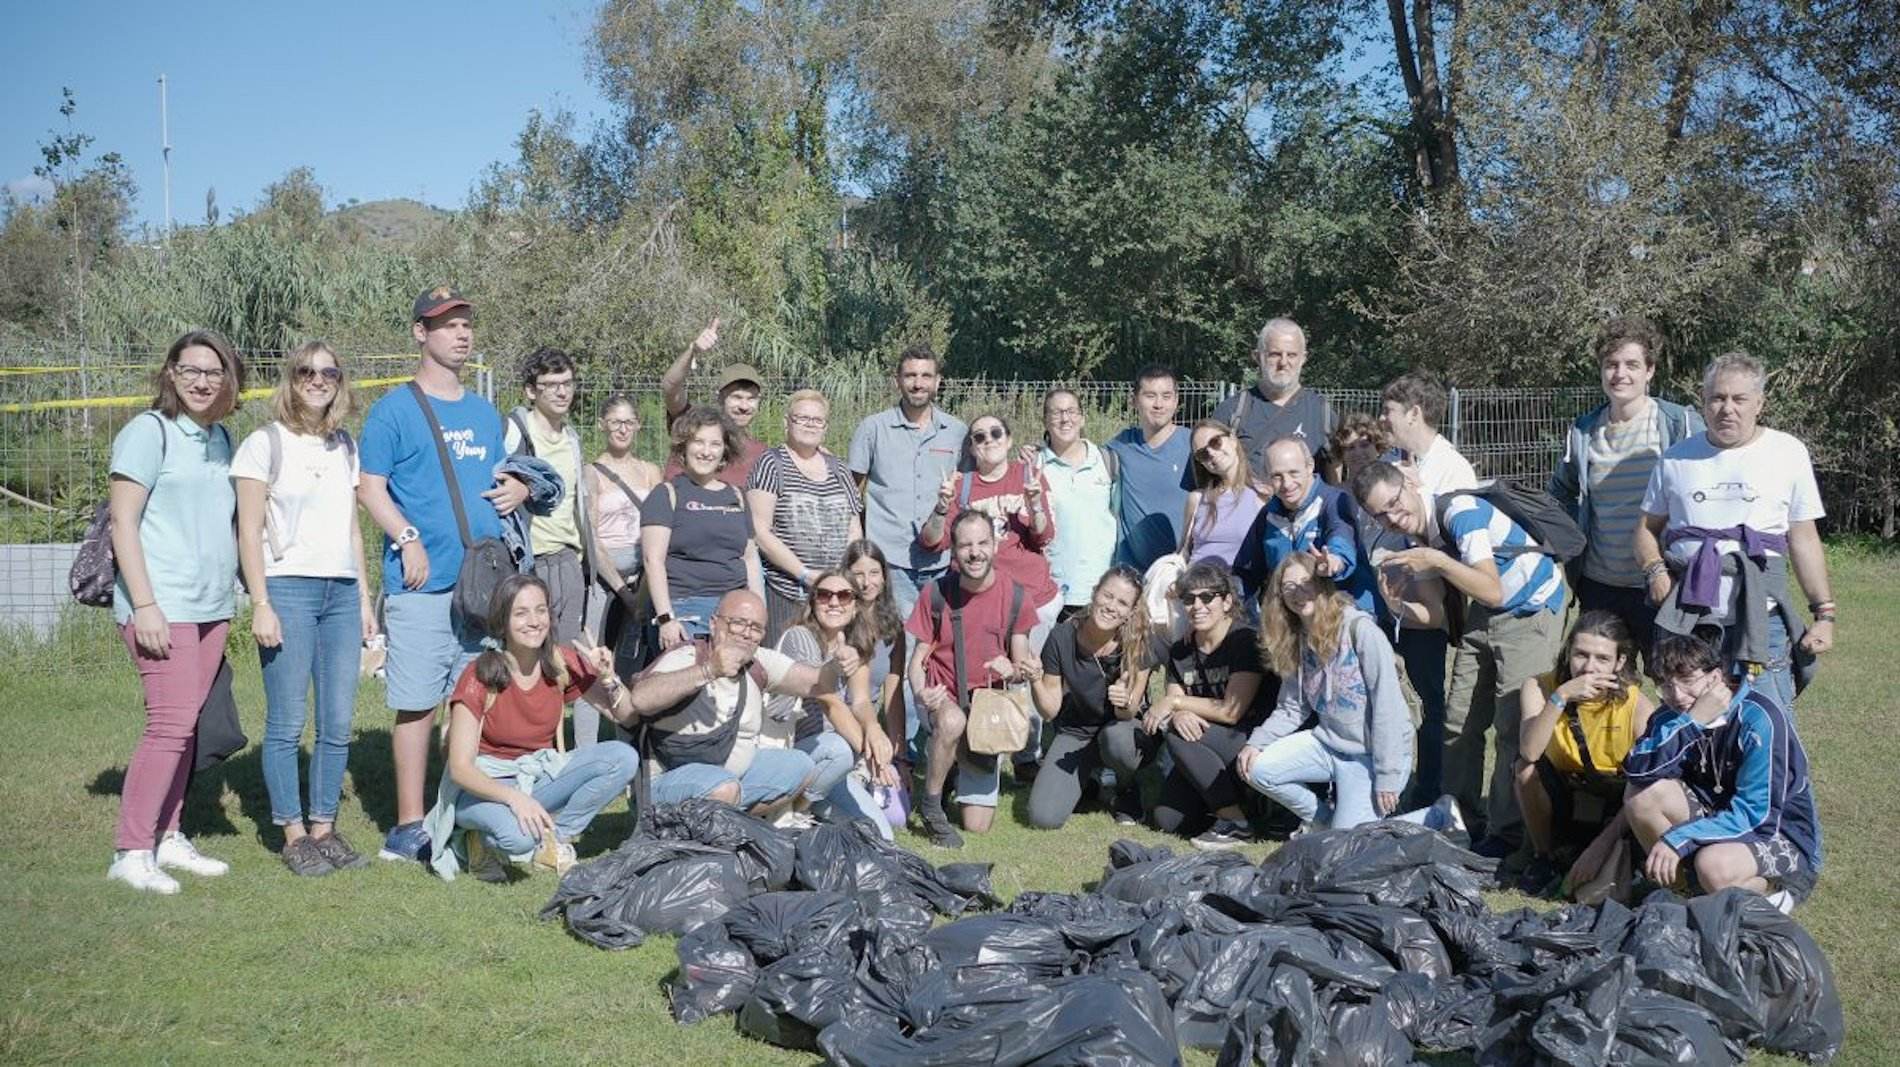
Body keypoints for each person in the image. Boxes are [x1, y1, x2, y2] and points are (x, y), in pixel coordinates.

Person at [358, 287, 530, 863]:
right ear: (419, 333)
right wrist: (406, 538)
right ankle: (408, 826)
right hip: (423, 585)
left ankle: (457, 813)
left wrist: (519, 486)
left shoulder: (484, 412)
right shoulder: (393, 410)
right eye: (446, 325)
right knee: (417, 703)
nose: (461, 334)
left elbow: (506, 472)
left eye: (465, 324)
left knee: (474, 702)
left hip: (481, 586)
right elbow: (370, 487)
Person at [1353, 459, 1568, 858]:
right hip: (1489, 614)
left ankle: (1508, 835)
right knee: (1458, 721)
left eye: (1396, 503)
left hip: (1531, 607)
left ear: (1410, 486)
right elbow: (1436, 616)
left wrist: (1437, 562)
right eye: (1380, 514)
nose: (1394, 517)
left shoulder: (1459, 513)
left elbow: (1491, 590)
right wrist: (1393, 603)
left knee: (1511, 725)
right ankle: (1460, 821)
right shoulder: (1418, 538)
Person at [104, 330, 246, 894]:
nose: (202, 381)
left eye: (214, 372)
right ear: (170, 373)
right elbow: (123, 524)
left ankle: (168, 834)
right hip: (162, 605)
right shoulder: (148, 432)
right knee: (167, 726)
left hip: (212, 606)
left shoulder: (221, 438)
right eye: (191, 370)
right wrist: (145, 605)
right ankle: (131, 848)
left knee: (187, 727)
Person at [233, 341, 378, 876]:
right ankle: (293, 834)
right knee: (288, 722)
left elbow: (351, 530)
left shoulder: (346, 447)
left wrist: (364, 599)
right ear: (290, 380)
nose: (318, 380)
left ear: (340, 382)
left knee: (337, 721)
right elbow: (248, 533)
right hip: (286, 589)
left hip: (340, 592)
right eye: (306, 372)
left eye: (329, 373)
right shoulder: (262, 444)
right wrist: (261, 603)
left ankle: (324, 827)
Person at [1634, 352, 1835, 711]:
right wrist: (1655, 572)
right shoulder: (1676, 459)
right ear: (1704, 401)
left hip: (1762, 617)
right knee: (1690, 723)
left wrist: (1825, 614)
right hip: (1690, 618)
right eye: (1718, 398)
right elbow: (1646, 531)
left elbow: (1803, 538)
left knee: (1765, 723)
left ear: (1759, 403)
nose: (1727, 408)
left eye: (1739, 399)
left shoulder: (1787, 452)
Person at [424, 574, 638, 882]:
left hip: (536, 775)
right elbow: (459, 768)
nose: (534, 621)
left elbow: (626, 716)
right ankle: (476, 836)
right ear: (502, 622)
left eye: (541, 610)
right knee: (518, 838)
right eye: (521, 613)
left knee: (622, 757)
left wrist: (607, 677)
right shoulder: (478, 675)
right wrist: (515, 799)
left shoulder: (560, 662)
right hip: (482, 787)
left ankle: (555, 841)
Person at [1623, 632, 1821, 913]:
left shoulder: (1760, 719)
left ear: (1715, 677)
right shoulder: (1672, 714)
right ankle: (1685, 895)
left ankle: (1773, 891)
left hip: (1778, 834)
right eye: (1665, 685)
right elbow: (1637, 771)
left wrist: (1677, 839)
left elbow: (1758, 816)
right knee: (1640, 796)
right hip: (1716, 821)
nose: (1677, 695)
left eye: (1688, 681)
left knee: (1713, 866)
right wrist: (1692, 723)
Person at [1549, 317, 1704, 658]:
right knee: (1603, 687)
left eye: (1631, 364)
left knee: (1675, 684)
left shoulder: (1680, 425)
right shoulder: (1583, 431)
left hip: (1662, 583)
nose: (1620, 374)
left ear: (1649, 370)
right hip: (1599, 585)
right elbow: (1560, 492)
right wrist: (1572, 540)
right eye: (1611, 365)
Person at [921, 413, 1065, 781]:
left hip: (1028, 597)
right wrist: (942, 505)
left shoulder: (1027, 476)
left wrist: (1034, 503)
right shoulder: (962, 485)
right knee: (984, 677)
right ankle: (980, 750)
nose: (989, 440)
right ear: (971, 446)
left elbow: (1044, 536)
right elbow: (933, 540)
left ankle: (1026, 754)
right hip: (978, 601)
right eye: (979, 436)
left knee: (1025, 674)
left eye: (996, 433)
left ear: (1009, 437)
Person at [628, 590, 856, 816]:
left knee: (801, 767)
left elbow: (815, 683)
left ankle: (732, 824)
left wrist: (835, 666)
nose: (747, 634)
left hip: (732, 781)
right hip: (666, 785)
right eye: (738, 623)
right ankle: (687, 832)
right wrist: (708, 671)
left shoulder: (758, 663)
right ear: (714, 623)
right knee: (723, 787)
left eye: (756, 628)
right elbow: (640, 699)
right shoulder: (688, 657)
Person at [1236, 555, 1418, 832]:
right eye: (1288, 587)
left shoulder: (1360, 629)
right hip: (1329, 744)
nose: (1298, 592)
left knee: (1349, 844)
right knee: (1258, 768)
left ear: (1322, 584)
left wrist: (1387, 775)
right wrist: (1256, 743)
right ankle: (1323, 821)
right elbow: (1292, 708)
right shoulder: (1296, 639)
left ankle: (1434, 817)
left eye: (1306, 582)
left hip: (1371, 754)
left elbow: (1388, 707)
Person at [848, 344, 967, 758]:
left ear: (938, 381)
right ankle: (900, 748)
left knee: (933, 650)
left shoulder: (957, 432)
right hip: (891, 562)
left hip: (940, 563)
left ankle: (932, 741)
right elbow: (852, 491)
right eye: (910, 375)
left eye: (926, 376)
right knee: (896, 655)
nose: (918, 383)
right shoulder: (873, 429)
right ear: (897, 380)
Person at [906, 512, 1039, 847]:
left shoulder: (1016, 596)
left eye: (982, 543)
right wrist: (923, 693)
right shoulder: (936, 594)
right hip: (944, 699)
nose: (974, 552)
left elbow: (1022, 659)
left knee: (977, 825)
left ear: (995, 545)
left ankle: (948, 765)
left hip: (986, 714)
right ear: (953, 551)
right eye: (965, 545)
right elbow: (916, 661)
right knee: (951, 722)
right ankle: (932, 807)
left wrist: (1015, 669)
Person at [1512, 611, 1656, 896]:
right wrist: (1561, 696)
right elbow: (1529, 751)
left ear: (1620, 662)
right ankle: (1544, 857)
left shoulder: (1638, 708)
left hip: (1618, 806)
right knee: (1524, 770)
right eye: (1580, 655)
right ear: (1567, 654)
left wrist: (1602, 845)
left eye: (1602, 659)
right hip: (1565, 793)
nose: (1589, 668)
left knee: (1599, 887)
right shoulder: (1540, 687)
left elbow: (1646, 787)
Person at [1145, 560, 1275, 849]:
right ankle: (1238, 804)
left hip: (1248, 740)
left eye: (1207, 597)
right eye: (1189, 599)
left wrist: (1177, 703)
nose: (1197, 606)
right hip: (1204, 744)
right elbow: (1174, 708)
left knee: (1178, 735)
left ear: (1227, 601)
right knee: (1168, 819)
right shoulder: (1181, 649)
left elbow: (1232, 711)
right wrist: (1177, 712)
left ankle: (1235, 823)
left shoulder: (1244, 639)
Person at [1026, 567, 1164, 830]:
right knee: (1043, 818)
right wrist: (1034, 680)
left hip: (1122, 729)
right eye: (1107, 595)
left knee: (1117, 740)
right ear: (1094, 593)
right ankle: (1089, 782)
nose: (1111, 606)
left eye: (1122, 602)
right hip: (1077, 731)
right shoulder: (1061, 636)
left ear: (1131, 612)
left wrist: (1123, 701)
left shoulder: (1139, 643)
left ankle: (1126, 788)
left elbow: (1128, 712)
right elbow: (1049, 711)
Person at [762, 570, 898, 837]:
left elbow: (860, 702)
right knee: (839, 748)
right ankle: (797, 810)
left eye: (844, 595)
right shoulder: (800, 637)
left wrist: (874, 729)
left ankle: (812, 810)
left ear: (856, 604)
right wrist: (871, 759)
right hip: (788, 752)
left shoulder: (853, 644)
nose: (834, 602)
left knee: (882, 837)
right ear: (813, 602)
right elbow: (830, 702)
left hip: (825, 764)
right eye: (824, 595)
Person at [574, 393, 662, 746]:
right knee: (590, 660)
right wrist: (622, 590)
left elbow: (660, 526)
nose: (622, 429)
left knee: (634, 661)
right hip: (602, 576)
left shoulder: (650, 471)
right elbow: (590, 536)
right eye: (615, 422)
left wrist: (643, 585)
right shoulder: (591, 473)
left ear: (638, 425)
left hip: (643, 575)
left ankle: (631, 744)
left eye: (629, 422)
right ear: (602, 425)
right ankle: (585, 750)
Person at [643, 405, 765, 648]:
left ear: (725, 451)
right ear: (684, 446)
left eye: (715, 444)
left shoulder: (737, 496)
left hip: (736, 612)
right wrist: (666, 618)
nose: (706, 452)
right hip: (685, 610)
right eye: (699, 442)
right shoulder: (666, 494)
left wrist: (759, 613)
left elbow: (750, 559)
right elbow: (652, 560)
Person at [749, 389, 864, 643]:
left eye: (817, 420)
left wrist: (841, 576)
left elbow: (854, 529)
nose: (810, 425)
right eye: (802, 418)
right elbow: (760, 531)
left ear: (825, 427)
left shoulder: (840, 470)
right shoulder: (770, 464)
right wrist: (805, 574)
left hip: (834, 596)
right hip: (787, 592)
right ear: (787, 423)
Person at [502, 347, 591, 645]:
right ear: (530, 391)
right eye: (551, 385)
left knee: (566, 656)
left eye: (567, 383)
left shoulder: (572, 439)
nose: (562, 392)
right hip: (529, 563)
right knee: (527, 655)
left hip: (568, 561)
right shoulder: (514, 431)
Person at [1257, 436, 1375, 612]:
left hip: (1344, 614)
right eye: (1277, 476)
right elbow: (1247, 569)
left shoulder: (1334, 501)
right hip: (1296, 619)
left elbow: (1341, 534)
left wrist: (1335, 561)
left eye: (1293, 472)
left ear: (1310, 466)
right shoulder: (1268, 514)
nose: (1287, 484)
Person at [1028, 388, 1117, 618]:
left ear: (1082, 417)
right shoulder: (1033, 466)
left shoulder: (1106, 461)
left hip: (1103, 590)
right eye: (1056, 413)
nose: (1065, 418)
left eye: (1071, 411)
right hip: (1053, 593)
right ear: (1045, 420)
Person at [1210, 318, 1336, 471]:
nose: (1283, 363)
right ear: (1257, 357)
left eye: (1291, 355)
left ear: (1303, 359)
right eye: (1275, 354)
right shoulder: (1232, 412)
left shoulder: (1322, 413)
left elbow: (1334, 477)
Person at [659, 318, 769, 485]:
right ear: (720, 397)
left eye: (751, 398)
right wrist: (692, 351)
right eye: (736, 397)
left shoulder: (762, 454)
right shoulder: (692, 424)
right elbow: (670, 387)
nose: (744, 406)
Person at [1106, 364, 1192, 572]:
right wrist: (1041, 450)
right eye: (1150, 396)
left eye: (1166, 396)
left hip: (1180, 571)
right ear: (1134, 400)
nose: (1158, 404)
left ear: (1176, 400)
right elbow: (1078, 456)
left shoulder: (1193, 445)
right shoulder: (1121, 446)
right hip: (1133, 572)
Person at [843, 539, 911, 783]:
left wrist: (899, 757)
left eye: (874, 573)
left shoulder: (894, 628)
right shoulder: (839, 621)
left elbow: (893, 698)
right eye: (858, 574)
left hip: (870, 723)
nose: (866, 582)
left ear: (884, 577)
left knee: (896, 811)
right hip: (841, 722)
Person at [1181, 420, 1271, 577]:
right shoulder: (1197, 499)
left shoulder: (1263, 495)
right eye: (1202, 454)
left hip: (1237, 592)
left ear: (1233, 439)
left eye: (1215, 442)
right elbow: (1183, 551)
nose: (1212, 454)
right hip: (1194, 592)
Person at [1380, 371, 1478, 494]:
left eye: (1387, 411)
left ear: (1414, 414)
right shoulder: (1388, 461)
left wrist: (1419, 489)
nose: (1381, 418)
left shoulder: (1454, 470)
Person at [1322, 411, 1392, 488]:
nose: (1358, 452)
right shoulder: (1336, 495)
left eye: (1364, 445)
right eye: (1350, 447)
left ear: (1378, 447)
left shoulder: (1392, 488)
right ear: (1342, 454)